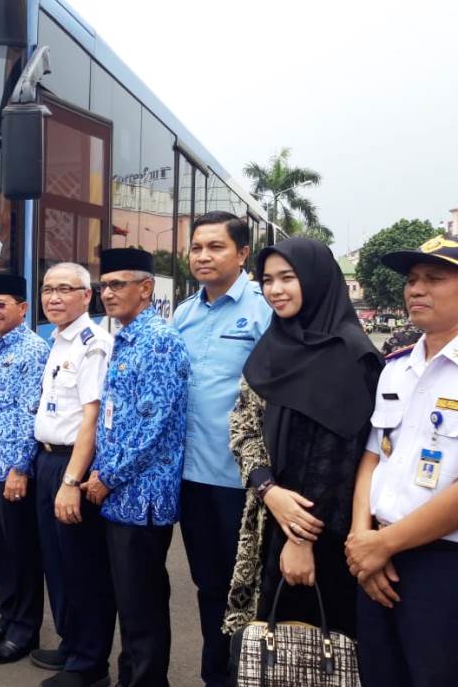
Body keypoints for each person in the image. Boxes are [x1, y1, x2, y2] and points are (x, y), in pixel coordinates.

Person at [223, 238, 381, 640]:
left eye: (287, 278)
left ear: (316, 280)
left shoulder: (352, 356)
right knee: (264, 646)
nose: (275, 290)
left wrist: (299, 542)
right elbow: (243, 424)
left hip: (316, 538)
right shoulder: (274, 346)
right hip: (266, 517)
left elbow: (340, 466)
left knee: (308, 649)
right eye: (267, 280)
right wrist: (266, 487)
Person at [346, 236, 458, 687]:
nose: (416, 289)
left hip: (442, 562)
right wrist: (361, 537)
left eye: (434, 278)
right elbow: (373, 455)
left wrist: (384, 547)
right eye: (412, 280)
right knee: (379, 673)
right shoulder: (396, 366)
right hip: (376, 553)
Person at [171, 212, 272, 687]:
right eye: (196, 248)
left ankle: (244, 675)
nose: (203, 256)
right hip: (190, 477)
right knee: (208, 585)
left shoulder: (263, 309)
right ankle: (217, 675)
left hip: (241, 481)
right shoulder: (184, 314)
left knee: (246, 591)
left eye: (215, 247)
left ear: (242, 254)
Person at [84, 248, 190, 687]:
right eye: (103, 286)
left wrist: (106, 476)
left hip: (141, 495)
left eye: (117, 285)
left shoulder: (159, 341)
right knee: (129, 600)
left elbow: (151, 427)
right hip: (117, 492)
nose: (107, 294)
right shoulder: (126, 335)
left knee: (142, 603)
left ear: (145, 289)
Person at [32, 262, 116, 687]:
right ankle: (71, 644)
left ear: (87, 296)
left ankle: (90, 664)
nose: (54, 298)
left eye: (65, 289)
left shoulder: (92, 344)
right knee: (57, 563)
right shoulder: (56, 340)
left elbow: (92, 419)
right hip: (47, 460)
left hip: (72, 467)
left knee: (84, 567)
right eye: (48, 289)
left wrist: (71, 481)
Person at [0, 273, 48, 666]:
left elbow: (31, 411)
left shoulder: (32, 350)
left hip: (12, 470)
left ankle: (24, 631)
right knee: (0, 551)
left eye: (1, 305)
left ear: (22, 308)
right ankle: (7, 617)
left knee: (21, 552)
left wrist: (20, 467)